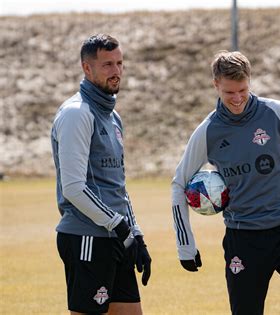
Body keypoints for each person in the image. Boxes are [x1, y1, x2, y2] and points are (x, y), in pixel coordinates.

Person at [171, 51, 280, 314]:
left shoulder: (277, 112)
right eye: (229, 92)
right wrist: (185, 246)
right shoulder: (208, 131)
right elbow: (178, 184)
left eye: (243, 90)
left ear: (250, 81)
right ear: (216, 85)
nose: (237, 99)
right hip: (243, 239)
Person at [51, 34, 152, 315]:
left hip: (115, 236)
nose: (116, 71)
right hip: (87, 237)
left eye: (119, 63)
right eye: (107, 64)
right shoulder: (77, 114)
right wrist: (119, 225)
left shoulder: (112, 116)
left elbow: (116, 184)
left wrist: (136, 233)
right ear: (87, 68)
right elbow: (73, 187)